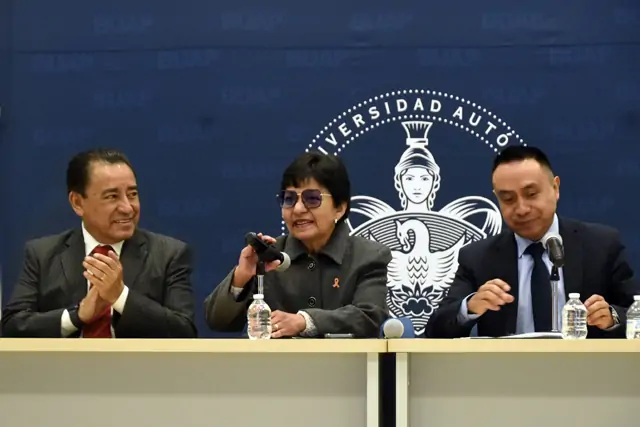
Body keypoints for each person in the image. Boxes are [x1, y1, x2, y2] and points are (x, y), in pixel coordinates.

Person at [425, 145, 639, 339]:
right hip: (506, 368)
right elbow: (435, 330)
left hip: (588, 367)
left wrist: (612, 318)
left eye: (531, 194)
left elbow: (634, 311)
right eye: (508, 199)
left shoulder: (600, 245)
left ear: (555, 188)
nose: (521, 209)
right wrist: (470, 307)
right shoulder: (477, 257)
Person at [2, 148, 197, 338]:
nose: (128, 208)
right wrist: (76, 316)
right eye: (112, 197)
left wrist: (120, 296)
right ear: (77, 202)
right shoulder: (42, 254)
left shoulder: (169, 255)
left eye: (132, 194)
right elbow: (12, 327)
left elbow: (184, 332)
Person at [204, 151, 392, 338]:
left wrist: (305, 321)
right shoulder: (270, 256)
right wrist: (242, 275)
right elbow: (217, 321)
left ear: (339, 208)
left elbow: (370, 316)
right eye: (289, 199)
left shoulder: (368, 256)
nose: (298, 209)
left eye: (312, 199)